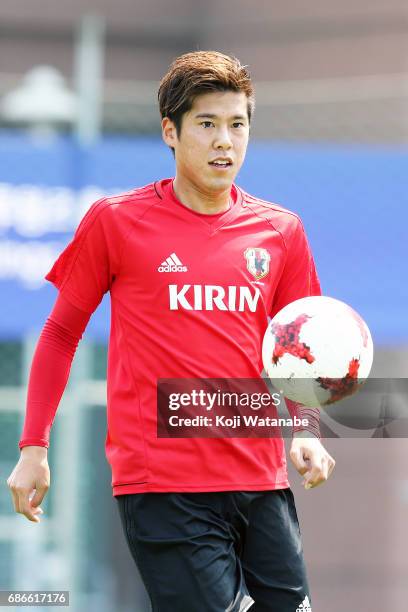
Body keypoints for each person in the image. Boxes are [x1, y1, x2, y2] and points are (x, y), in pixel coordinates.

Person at [7, 51, 335, 612]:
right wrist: (33, 446)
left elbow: (296, 347)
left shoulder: (281, 231)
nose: (224, 142)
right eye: (207, 124)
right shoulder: (116, 221)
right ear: (171, 132)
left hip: (261, 483)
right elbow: (62, 333)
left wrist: (305, 429)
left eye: (237, 125)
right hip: (164, 488)